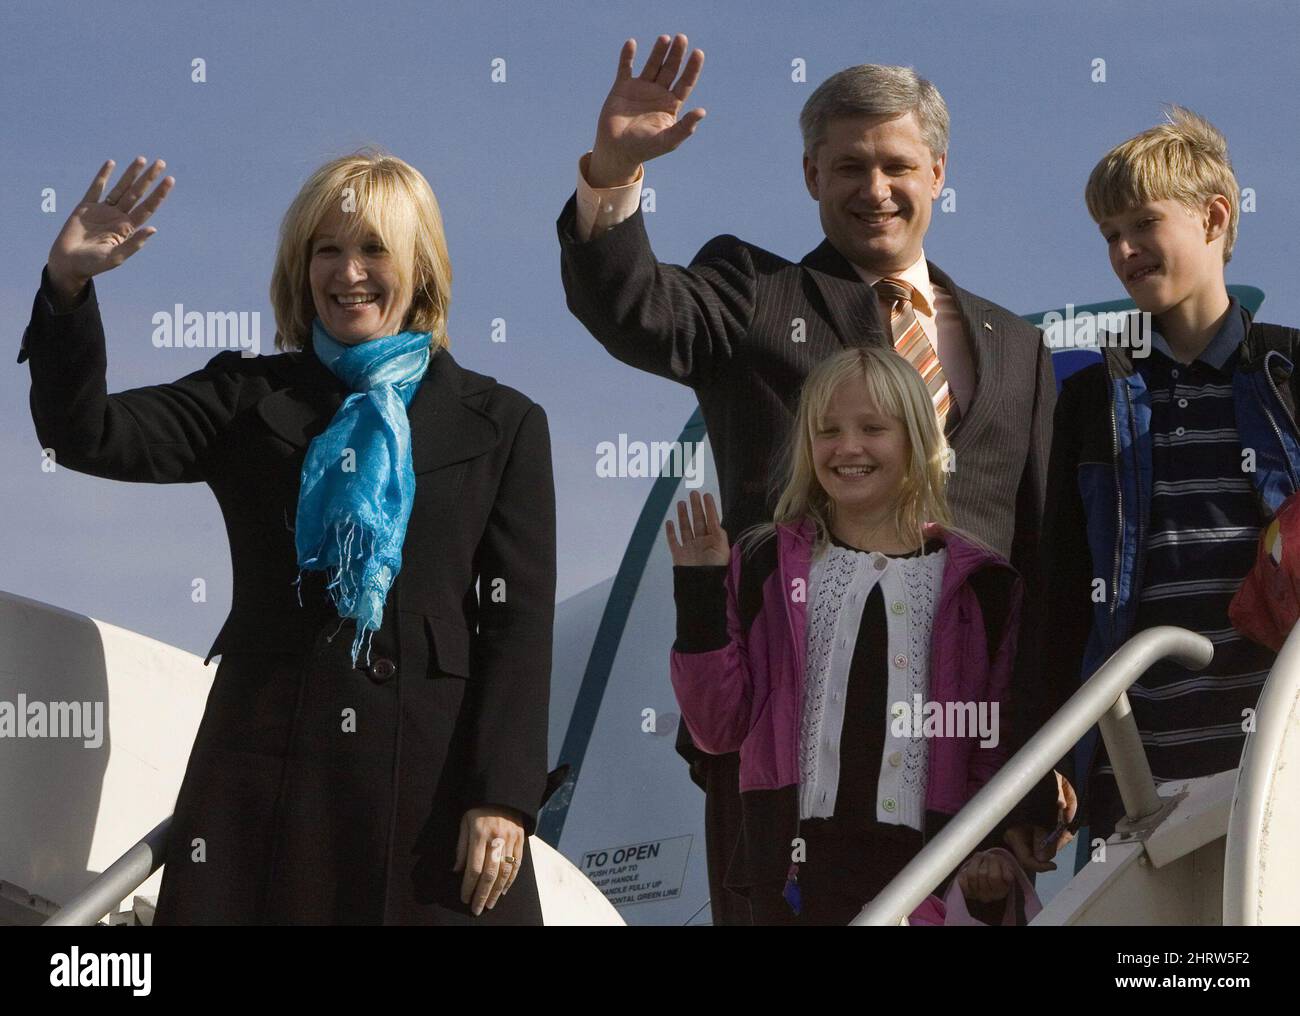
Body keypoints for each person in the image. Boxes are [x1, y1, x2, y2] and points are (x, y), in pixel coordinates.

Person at [558, 34, 1062, 922]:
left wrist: (1047, 755)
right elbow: (632, 309)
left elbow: (1046, 560)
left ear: (938, 172)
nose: (875, 190)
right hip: (786, 754)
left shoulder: (1015, 349)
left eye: (897, 165)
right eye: (848, 167)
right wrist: (613, 173)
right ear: (810, 176)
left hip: (963, 758)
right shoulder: (755, 293)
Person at [19, 150, 556, 924]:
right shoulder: (248, 398)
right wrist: (68, 287)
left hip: (432, 801)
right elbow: (85, 433)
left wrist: (503, 797)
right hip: (265, 790)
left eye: (374, 248)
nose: (350, 272)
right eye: (326, 250)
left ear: (421, 266)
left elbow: (517, 627)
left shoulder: (503, 424)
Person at [665, 347, 1026, 924]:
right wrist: (700, 593)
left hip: (930, 873)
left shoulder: (982, 585)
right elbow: (716, 729)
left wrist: (994, 847)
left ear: (915, 438)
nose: (848, 447)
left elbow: (992, 743)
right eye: (827, 430)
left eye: (872, 428)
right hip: (794, 875)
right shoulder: (761, 562)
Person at [1038, 107, 1300, 844]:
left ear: (1214, 217)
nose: (1123, 249)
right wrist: (1055, 754)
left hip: (1280, 759)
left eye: (1141, 223)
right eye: (1108, 235)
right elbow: (1063, 590)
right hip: (1139, 769)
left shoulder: (1289, 374)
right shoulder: (1093, 399)